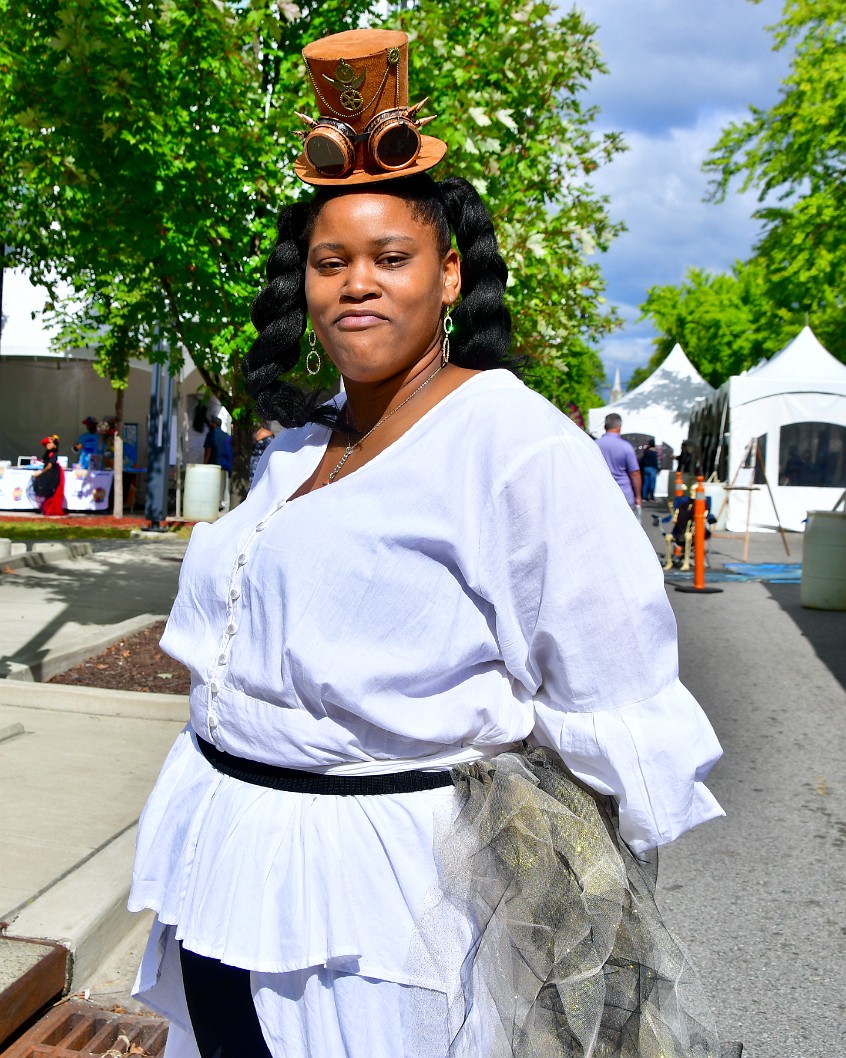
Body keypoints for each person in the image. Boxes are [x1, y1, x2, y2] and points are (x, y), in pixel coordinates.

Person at [129, 28, 725, 1058]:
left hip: (388, 912)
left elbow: (611, 696)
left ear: (449, 275)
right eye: (331, 261)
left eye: (389, 257)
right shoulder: (297, 443)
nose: (356, 282)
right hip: (221, 870)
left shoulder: (515, 444)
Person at [595, 412, 642, 514]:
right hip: (623, 495)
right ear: (619, 427)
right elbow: (635, 474)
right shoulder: (626, 446)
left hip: (601, 495)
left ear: (605, 426)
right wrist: (638, 497)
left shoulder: (594, 445)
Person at [203, 415, 233, 510]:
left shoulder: (211, 434)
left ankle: (212, 504)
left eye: (211, 423)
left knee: (212, 485)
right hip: (224, 465)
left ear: (214, 424)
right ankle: (220, 502)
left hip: (213, 465)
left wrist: (205, 464)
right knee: (222, 486)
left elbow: (208, 450)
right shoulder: (226, 436)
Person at [31, 435, 65, 516]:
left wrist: (41, 472)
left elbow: (49, 466)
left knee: (50, 491)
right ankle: (46, 508)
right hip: (48, 472)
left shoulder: (53, 454)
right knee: (46, 491)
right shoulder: (48, 453)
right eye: (47, 444)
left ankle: (50, 509)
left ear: (55, 445)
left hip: (52, 473)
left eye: (50, 444)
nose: (48, 445)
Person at [639, 437, 659, 502]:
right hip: (652, 468)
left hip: (645, 468)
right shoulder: (654, 452)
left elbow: (643, 460)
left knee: (645, 483)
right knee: (652, 483)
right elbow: (655, 461)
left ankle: (644, 497)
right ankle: (651, 497)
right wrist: (657, 468)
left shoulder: (646, 451)